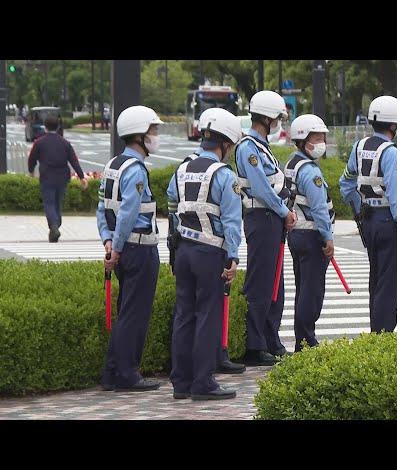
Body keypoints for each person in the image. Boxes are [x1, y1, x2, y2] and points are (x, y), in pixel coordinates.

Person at [166, 107, 243, 400]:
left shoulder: (182, 169)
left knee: (184, 315)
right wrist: (233, 256)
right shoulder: (224, 175)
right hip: (210, 253)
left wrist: (175, 244)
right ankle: (203, 383)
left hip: (184, 251)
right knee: (207, 315)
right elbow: (233, 221)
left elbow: (172, 205)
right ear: (224, 144)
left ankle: (180, 383)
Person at [96, 105, 163, 391]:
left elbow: (102, 210)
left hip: (123, 249)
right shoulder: (135, 171)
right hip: (138, 250)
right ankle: (127, 374)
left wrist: (108, 242)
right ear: (138, 135)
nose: (156, 136)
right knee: (134, 315)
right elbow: (127, 213)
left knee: (126, 311)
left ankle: (112, 373)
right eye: (153, 131)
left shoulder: (113, 166)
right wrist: (119, 246)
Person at [339, 95, 397, 332]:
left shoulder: (360, 146)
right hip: (388, 220)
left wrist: (359, 208)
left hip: (369, 220)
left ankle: (376, 333)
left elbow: (346, 182)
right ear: (395, 124)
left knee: (376, 278)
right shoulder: (390, 151)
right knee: (389, 283)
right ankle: (382, 336)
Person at [234, 90, 296, 365]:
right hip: (262, 219)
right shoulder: (248, 147)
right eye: (278, 118)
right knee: (260, 282)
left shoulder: (261, 147)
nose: (279, 123)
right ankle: (254, 345)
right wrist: (284, 211)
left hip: (273, 220)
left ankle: (270, 338)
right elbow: (260, 188)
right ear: (269, 119)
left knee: (275, 283)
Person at [285, 114, 335, 351]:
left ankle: (301, 339)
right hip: (312, 235)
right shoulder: (310, 172)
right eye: (317, 137)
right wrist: (328, 238)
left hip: (296, 235)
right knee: (312, 292)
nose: (321, 142)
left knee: (302, 288)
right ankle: (306, 341)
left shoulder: (292, 163)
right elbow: (319, 209)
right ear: (303, 140)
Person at [28, 114, 88, 242]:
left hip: (46, 176)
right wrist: (81, 177)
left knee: (49, 203)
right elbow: (74, 160)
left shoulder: (39, 142)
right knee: (57, 203)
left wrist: (31, 171)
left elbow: (31, 159)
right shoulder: (65, 143)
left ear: (45, 127)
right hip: (62, 177)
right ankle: (56, 225)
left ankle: (54, 226)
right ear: (58, 126)